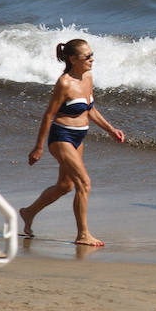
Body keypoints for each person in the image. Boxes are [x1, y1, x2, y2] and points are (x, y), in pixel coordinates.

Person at [20, 39, 126, 247]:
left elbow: (90, 109)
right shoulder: (64, 83)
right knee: (84, 183)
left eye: (91, 54)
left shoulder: (87, 77)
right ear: (72, 59)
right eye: (87, 56)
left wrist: (111, 129)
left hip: (79, 137)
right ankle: (83, 234)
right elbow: (48, 115)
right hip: (62, 137)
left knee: (65, 185)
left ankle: (28, 212)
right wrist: (39, 147)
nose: (92, 59)